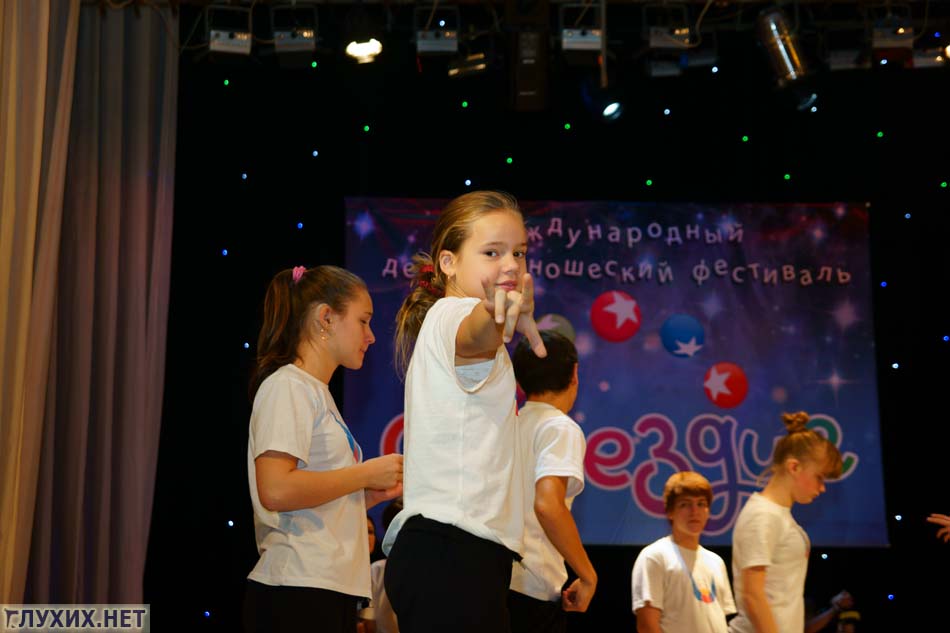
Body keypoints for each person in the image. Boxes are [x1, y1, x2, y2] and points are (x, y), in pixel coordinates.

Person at [382, 190, 547, 633]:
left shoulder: (450, 319)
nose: (510, 265)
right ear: (448, 262)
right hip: (450, 554)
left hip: (457, 556)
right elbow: (476, 332)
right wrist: (495, 317)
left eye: (519, 253)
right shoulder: (452, 315)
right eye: (492, 252)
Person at [243, 265, 404, 633]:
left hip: (324, 588)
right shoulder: (288, 386)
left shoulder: (317, 393)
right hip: (297, 587)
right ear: (326, 318)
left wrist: (367, 496)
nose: (371, 336)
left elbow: (308, 499)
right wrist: (364, 474)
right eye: (363, 321)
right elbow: (276, 489)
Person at [508, 330, 597, 633]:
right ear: (575, 374)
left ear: (519, 381)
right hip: (531, 589)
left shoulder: (507, 426)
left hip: (492, 583)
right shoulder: (560, 427)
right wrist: (588, 575)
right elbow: (548, 505)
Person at [728, 411, 844, 633]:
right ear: (794, 467)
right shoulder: (763, 515)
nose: (822, 488)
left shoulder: (777, 514)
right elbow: (752, 596)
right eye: (819, 477)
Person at [631, 471, 737, 633]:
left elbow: (720, 621)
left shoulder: (716, 561)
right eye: (685, 504)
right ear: (670, 512)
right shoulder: (654, 556)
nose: (694, 511)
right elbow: (647, 626)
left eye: (701, 504)